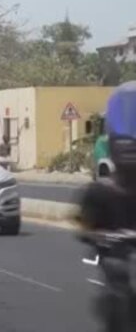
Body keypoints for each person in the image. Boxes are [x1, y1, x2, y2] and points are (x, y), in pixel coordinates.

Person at [78, 81, 136, 331]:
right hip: (117, 254)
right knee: (118, 284)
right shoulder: (100, 191)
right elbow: (84, 228)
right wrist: (105, 237)